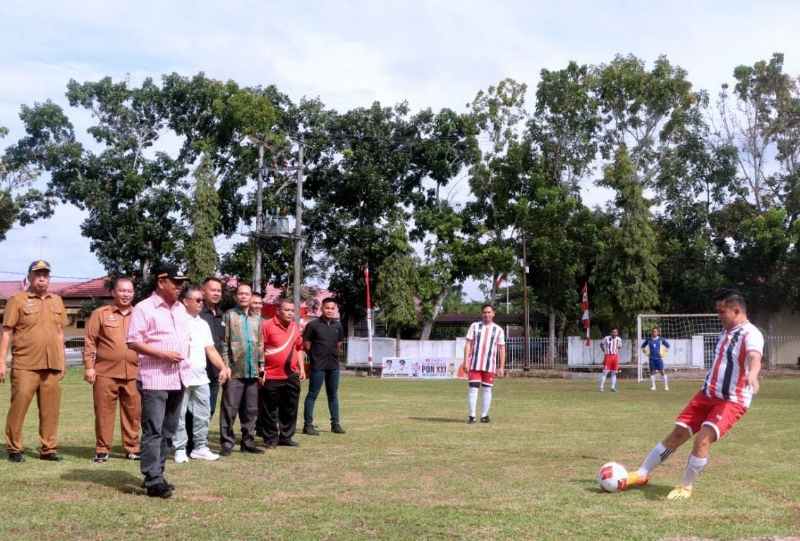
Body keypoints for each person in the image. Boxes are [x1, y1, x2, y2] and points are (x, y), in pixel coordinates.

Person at [625, 290, 763, 500]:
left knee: (703, 438)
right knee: (677, 433)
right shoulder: (725, 332)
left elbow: (754, 356)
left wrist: (753, 374)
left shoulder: (751, 334)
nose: (718, 315)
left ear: (736, 310)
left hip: (731, 400)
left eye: (721, 311)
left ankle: (686, 487)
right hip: (706, 394)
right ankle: (642, 474)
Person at [126, 264, 189, 498]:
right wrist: (163, 355)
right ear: (161, 281)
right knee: (153, 430)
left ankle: (158, 473)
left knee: (168, 430)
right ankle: (153, 480)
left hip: (178, 377)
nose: (179, 287)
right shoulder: (144, 308)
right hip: (154, 379)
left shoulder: (181, 309)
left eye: (182, 283)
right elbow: (133, 342)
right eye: (175, 282)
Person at [0, 260, 68, 463]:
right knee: (18, 407)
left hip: (52, 365)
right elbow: (7, 331)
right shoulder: (17, 300)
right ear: (29, 277)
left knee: (50, 410)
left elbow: (60, 332)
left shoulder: (57, 300)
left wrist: (62, 361)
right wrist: (1, 361)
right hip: (25, 365)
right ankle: (14, 448)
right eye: (38, 274)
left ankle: (48, 449)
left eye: (45, 275)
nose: (42, 278)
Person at [83, 276, 141, 464]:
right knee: (103, 412)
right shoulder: (100, 314)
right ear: (113, 292)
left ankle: (132, 448)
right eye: (122, 291)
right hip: (105, 372)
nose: (126, 294)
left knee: (133, 413)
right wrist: (90, 367)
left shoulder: (140, 314)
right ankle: (102, 449)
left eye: (129, 291)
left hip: (134, 373)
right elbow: (90, 341)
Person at [173, 285, 231, 464]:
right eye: (197, 300)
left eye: (202, 300)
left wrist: (223, 367)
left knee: (203, 414)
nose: (201, 303)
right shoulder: (176, 320)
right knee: (180, 415)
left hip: (200, 376)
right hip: (181, 376)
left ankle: (200, 447)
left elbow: (211, 349)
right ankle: (180, 449)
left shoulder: (202, 323)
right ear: (185, 301)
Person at [219, 284, 265, 456]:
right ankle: (227, 443)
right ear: (236, 296)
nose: (244, 296)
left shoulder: (258, 319)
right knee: (229, 409)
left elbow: (260, 344)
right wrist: (225, 366)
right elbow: (224, 343)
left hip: (252, 370)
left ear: (251, 296)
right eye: (241, 294)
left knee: (251, 410)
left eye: (247, 294)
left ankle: (248, 442)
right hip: (234, 371)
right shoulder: (229, 315)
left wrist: (261, 366)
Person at [185, 277, 226, 454]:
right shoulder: (195, 315)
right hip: (192, 371)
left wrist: (223, 366)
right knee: (186, 412)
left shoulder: (221, 315)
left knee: (207, 410)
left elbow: (216, 346)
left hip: (212, 371)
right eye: (212, 290)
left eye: (219, 290)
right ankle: (186, 445)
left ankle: (199, 443)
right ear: (203, 290)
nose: (216, 293)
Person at [260, 298, 305, 447]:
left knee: (290, 408)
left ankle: (286, 437)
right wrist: (261, 369)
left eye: (292, 310)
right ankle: (270, 439)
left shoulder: (294, 327)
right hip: (271, 375)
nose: (290, 313)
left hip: (291, 375)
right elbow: (259, 349)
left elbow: (298, 348)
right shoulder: (266, 326)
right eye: (287, 310)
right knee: (269, 410)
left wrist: (302, 369)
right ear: (278, 311)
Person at [302, 297, 346, 436]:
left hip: (333, 366)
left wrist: (334, 355)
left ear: (336, 310)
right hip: (318, 366)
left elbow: (339, 344)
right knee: (312, 395)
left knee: (333, 395)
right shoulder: (313, 325)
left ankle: (335, 424)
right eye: (327, 308)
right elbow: (306, 344)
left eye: (332, 308)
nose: (330, 310)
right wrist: (314, 357)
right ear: (322, 308)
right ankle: (307, 425)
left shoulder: (338, 325)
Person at [462, 304, 506, 424]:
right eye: (484, 312)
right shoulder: (474, 326)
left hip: (490, 365)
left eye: (489, 312)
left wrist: (501, 367)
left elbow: (501, 349)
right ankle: (472, 416)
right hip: (475, 364)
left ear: (493, 314)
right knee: (473, 389)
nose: (486, 314)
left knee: (487, 390)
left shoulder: (498, 330)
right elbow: (468, 344)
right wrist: (465, 361)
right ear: (482, 314)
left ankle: (484, 415)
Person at [641, 326, 671, 391]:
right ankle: (653, 386)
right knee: (652, 372)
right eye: (653, 331)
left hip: (659, 358)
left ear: (658, 332)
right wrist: (646, 353)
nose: (654, 333)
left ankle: (666, 386)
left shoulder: (661, 339)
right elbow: (642, 347)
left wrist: (663, 353)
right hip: (651, 358)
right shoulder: (648, 339)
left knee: (662, 372)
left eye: (655, 331)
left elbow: (668, 346)